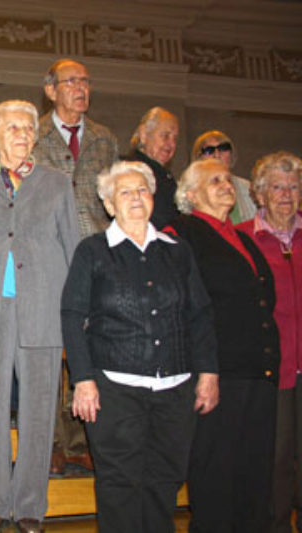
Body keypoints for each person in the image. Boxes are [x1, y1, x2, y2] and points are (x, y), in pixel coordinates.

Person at [61, 160, 219, 532]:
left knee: (164, 481)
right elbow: (72, 314)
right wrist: (82, 379)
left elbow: (200, 314)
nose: (136, 198)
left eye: (142, 190)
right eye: (125, 192)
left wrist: (209, 372)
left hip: (175, 390)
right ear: (110, 205)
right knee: (120, 485)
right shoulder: (93, 251)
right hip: (116, 390)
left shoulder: (177, 251)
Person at [0, 100, 80, 533]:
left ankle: (30, 505)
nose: (23, 135)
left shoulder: (57, 183)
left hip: (43, 307)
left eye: (28, 128)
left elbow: (73, 247)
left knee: (39, 410)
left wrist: (74, 312)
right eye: (12, 128)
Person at [170, 158, 280, 533]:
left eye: (227, 180)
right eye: (213, 180)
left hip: (257, 368)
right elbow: (184, 305)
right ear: (190, 194)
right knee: (216, 466)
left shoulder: (244, 237)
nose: (225, 185)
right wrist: (204, 369)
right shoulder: (182, 232)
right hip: (218, 371)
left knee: (255, 465)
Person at [33, 57, 120, 475]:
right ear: (51, 90)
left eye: (85, 81)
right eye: (71, 81)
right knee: (51, 345)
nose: (80, 88)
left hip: (95, 254)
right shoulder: (32, 133)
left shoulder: (104, 138)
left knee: (87, 346)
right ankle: (50, 441)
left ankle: (81, 441)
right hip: (48, 252)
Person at [236, 151, 302, 533]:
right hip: (269, 370)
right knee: (274, 460)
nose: (286, 194)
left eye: (293, 187)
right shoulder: (244, 239)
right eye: (277, 186)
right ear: (259, 193)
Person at [127, 107, 180, 229]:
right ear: (144, 135)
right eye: (165, 136)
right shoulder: (131, 171)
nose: (171, 144)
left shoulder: (165, 175)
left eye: (175, 139)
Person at [191, 129, 256, 224]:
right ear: (199, 158)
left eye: (223, 148)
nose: (217, 155)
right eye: (209, 150)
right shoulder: (191, 189)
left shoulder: (246, 187)